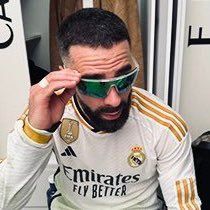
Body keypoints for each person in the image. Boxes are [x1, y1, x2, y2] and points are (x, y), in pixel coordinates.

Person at [0, 8, 201, 210]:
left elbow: (185, 205)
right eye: (95, 85)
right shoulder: (48, 112)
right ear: (68, 77)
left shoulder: (164, 125)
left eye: (124, 79)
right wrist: (36, 134)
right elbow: (6, 202)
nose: (114, 100)